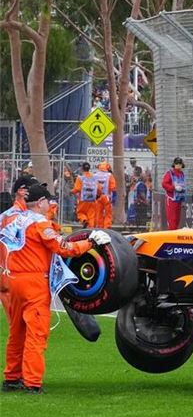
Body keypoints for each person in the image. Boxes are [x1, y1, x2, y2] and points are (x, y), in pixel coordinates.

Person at [1, 183, 111, 393]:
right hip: (34, 283)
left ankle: (11, 378)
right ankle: (32, 382)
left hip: (12, 280)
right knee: (36, 333)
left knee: (16, 332)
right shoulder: (40, 223)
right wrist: (90, 243)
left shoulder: (11, 218)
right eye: (49, 201)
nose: (51, 205)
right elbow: (63, 248)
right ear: (41, 202)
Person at [71, 162, 101, 228]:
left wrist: (71, 192)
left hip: (83, 200)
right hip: (92, 200)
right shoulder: (94, 177)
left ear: (82, 168)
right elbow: (99, 188)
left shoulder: (80, 178)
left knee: (80, 212)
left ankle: (84, 220)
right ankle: (91, 228)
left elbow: (77, 189)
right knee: (91, 215)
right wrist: (98, 195)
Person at [161, 158, 187, 230]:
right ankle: (172, 234)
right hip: (171, 199)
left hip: (179, 199)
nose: (178, 165)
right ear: (174, 164)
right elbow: (164, 184)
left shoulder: (182, 174)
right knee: (172, 220)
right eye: (177, 163)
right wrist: (174, 188)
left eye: (180, 164)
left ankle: (175, 233)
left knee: (177, 219)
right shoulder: (170, 173)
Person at [94, 162, 116, 229]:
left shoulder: (95, 175)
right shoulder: (109, 175)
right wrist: (114, 197)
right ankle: (107, 227)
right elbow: (113, 188)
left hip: (97, 197)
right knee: (108, 213)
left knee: (99, 213)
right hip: (107, 197)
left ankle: (99, 227)